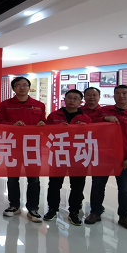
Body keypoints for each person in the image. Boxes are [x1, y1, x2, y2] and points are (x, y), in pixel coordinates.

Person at [85, 85, 127, 231]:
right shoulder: (104, 111)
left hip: (124, 160)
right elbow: (88, 121)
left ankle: (124, 217)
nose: (121, 96)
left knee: (124, 189)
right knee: (97, 186)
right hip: (102, 157)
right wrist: (103, 118)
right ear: (113, 96)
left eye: (125, 93)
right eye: (118, 93)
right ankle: (95, 212)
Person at [0, 76, 46, 222]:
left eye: (25, 85)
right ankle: (14, 205)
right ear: (13, 88)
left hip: (33, 146)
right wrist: (12, 125)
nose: (22, 87)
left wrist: (43, 124)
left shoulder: (39, 105)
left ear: (29, 87)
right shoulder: (5, 105)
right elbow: (0, 121)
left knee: (34, 179)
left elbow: (44, 122)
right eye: (18, 85)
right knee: (12, 178)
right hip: (13, 145)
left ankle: (33, 209)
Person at [43, 89, 92, 226]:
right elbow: (45, 133)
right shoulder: (54, 116)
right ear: (64, 100)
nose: (72, 100)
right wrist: (57, 128)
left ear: (81, 101)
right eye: (69, 97)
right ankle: (52, 209)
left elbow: (92, 136)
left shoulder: (86, 119)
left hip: (78, 155)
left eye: (75, 98)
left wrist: (84, 129)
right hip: (58, 154)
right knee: (54, 184)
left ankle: (74, 212)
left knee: (77, 186)